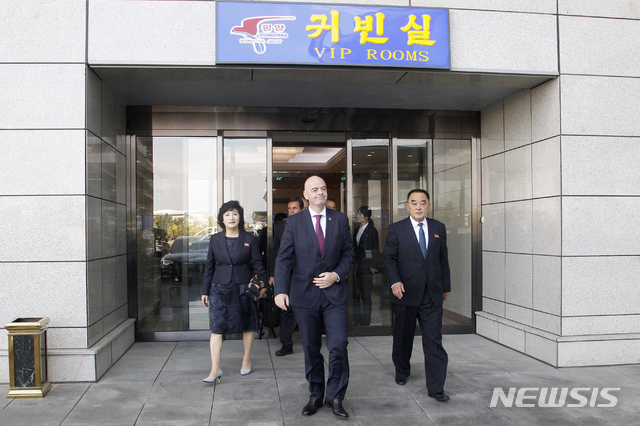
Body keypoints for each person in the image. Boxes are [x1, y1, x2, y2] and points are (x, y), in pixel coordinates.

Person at [274, 176, 355, 418]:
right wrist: (280, 290)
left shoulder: (340, 220)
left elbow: (349, 254)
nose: (320, 192)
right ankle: (316, 394)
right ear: (306, 195)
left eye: (323, 188)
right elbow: (284, 258)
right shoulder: (293, 222)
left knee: (338, 345)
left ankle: (336, 396)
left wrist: (336, 275)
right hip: (304, 294)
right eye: (315, 189)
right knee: (310, 347)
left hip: (334, 295)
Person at [383, 189, 451, 402]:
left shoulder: (438, 227)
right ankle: (402, 370)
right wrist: (394, 281)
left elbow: (443, 259)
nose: (419, 207)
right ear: (408, 206)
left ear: (429, 206)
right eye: (414, 203)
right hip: (405, 293)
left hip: (432, 294)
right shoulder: (396, 229)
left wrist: (446, 286)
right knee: (403, 337)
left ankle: (436, 388)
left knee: (433, 339)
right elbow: (389, 258)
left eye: (423, 202)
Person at [201, 200, 266, 384]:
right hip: (219, 288)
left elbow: (257, 263)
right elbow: (209, 266)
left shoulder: (249, 239)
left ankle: (246, 359)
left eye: (235, 214)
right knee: (216, 328)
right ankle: (215, 368)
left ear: (240, 217)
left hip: (243, 288)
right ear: (222, 218)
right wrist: (205, 290)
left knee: (247, 325)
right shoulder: (215, 239)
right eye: (227, 214)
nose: (231, 217)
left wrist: (262, 285)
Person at [269, 196, 304, 356]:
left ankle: (310, 340)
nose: (291, 211)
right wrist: (273, 274)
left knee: (307, 308)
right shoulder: (281, 227)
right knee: (286, 309)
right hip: (287, 274)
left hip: (306, 274)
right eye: (289, 208)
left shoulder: (309, 224)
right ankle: (286, 344)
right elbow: (275, 252)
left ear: (302, 209)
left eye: (294, 208)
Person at [353, 206, 379, 326]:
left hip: (366, 267)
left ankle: (366, 321)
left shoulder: (372, 231)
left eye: (360, 214)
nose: (358, 216)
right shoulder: (356, 230)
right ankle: (357, 319)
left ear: (366, 217)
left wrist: (373, 265)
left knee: (366, 295)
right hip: (357, 266)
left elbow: (375, 248)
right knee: (356, 293)